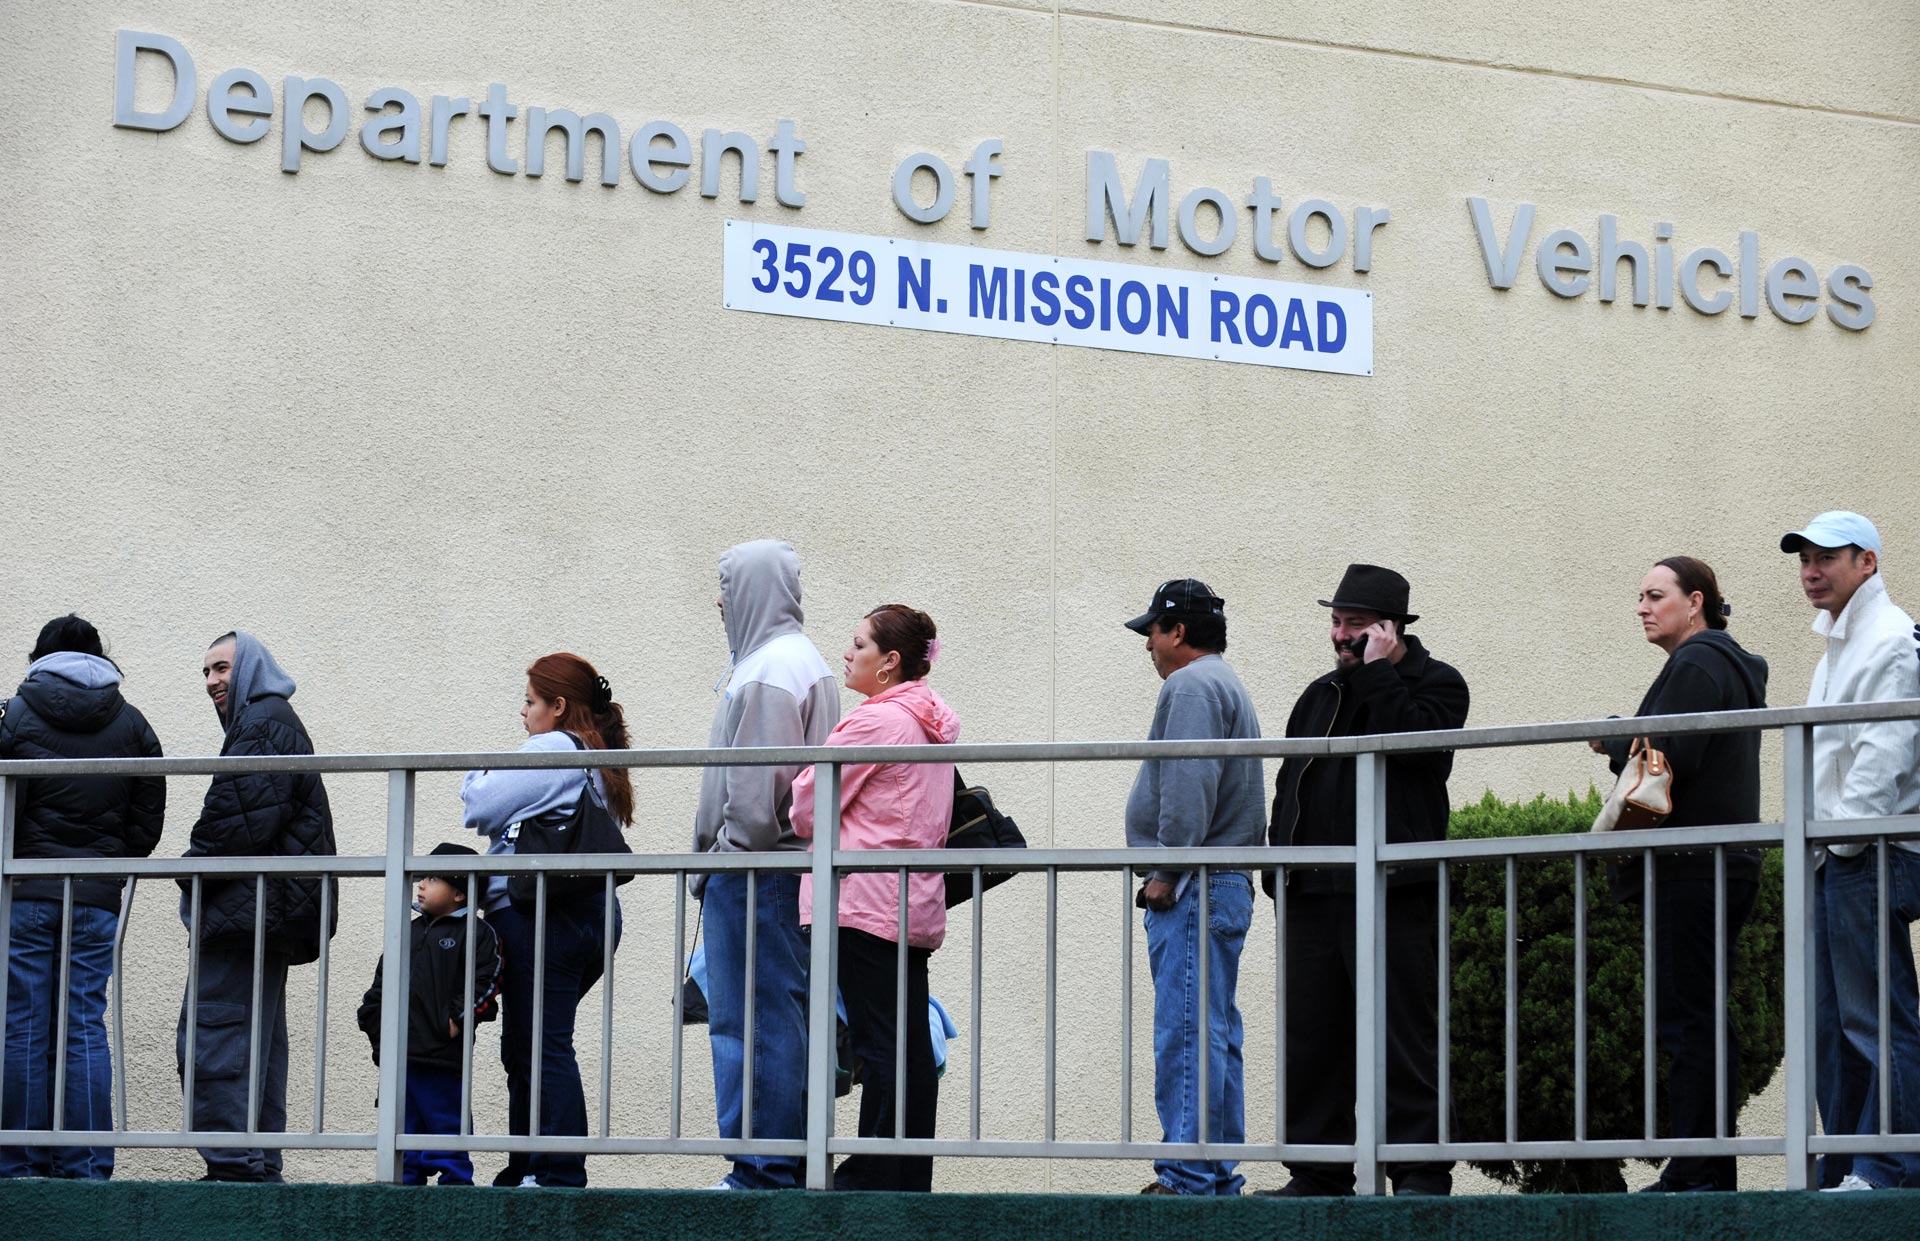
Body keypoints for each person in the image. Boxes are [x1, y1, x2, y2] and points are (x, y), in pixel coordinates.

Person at [1259, 565, 1469, 1198]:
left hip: (1395, 888)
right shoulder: (1320, 692)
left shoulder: (1438, 683)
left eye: (1354, 624)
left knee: (1406, 1035)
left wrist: (1378, 671)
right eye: (1336, 621)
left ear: (1390, 628)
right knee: (1312, 1038)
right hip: (1313, 890)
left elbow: (1418, 749)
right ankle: (1318, 1173)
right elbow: (1291, 781)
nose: (1339, 635)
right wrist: (1282, 866)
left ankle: (1420, 1174)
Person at [1587, 558, 1767, 1192]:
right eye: (1639, 595)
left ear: (1696, 602)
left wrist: (1613, 740)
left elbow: (1671, 755)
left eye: (1655, 595)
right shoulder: (1728, 663)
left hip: (1691, 866)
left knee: (1688, 1017)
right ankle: (1705, 1163)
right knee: (1700, 1012)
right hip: (1719, 863)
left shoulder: (1695, 664)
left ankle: (1699, 1168)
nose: (1642, 606)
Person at [791, 604, 960, 1192]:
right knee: (907, 1040)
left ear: (889, 663)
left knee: (879, 1040)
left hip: (862, 900)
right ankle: (905, 1171)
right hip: (909, 900)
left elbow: (807, 806)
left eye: (858, 644)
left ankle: (874, 1173)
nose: (847, 653)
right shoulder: (925, 722)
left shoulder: (876, 723)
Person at [693, 539, 839, 1191]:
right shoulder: (799, 660)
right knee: (784, 1014)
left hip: (757, 870)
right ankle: (790, 1161)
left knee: (750, 1019)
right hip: (789, 867)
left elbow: (752, 801)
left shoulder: (766, 670)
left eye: (725, 585)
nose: (719, 599)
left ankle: (763, 1166)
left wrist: (721, 857)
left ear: (749, 588)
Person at [1781, 511, 1920, 1192]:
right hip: (1838, 853)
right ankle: (1847, 1165)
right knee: (1832, 1030)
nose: (1810, 569)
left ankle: (1891, 1165)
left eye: (1825, 557)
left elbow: (1884, 758)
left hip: (1867, 851)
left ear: (1867, 561)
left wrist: (1837, 842)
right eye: (1804, 558)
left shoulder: (1889, 637)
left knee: (1875, 1018)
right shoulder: (1844, 639)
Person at [0, 615, 164, 1180]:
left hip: (24, 893)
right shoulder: (133, 722)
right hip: (95, 899)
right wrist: (108, 869)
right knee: (83, 1023)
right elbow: (145, 828)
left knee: (22, 1021)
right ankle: (87, 1164)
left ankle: (19, 1163)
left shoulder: (14, 714)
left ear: (39, 657)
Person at [460, 652, 630, 1188]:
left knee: (540, 1041)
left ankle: (556, 1170)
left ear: (558, 707)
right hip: (579, 916)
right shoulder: (592, 755)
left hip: (544, 915)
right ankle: (527, 1162)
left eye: (531, 701)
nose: (523, 712)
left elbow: (479, 806)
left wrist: (478, 776)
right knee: (529, 1040)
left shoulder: (555, 747)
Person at [1120, 580, 1264, 1197]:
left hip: (1194, 884)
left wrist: (1165, 873)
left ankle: (1188, 1174)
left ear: (1177, 632)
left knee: (1185, 1029)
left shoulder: (1191, 685)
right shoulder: (1224, 682)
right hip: (1222, 881)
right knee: (1214, 1031)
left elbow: (1187, 785)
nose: (1147, 645)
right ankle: (1212, 1169)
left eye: (1152, 631)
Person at [177, 631, 338, 1183]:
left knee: (217, 1030)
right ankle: (256, 1162)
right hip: (265, 911)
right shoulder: (269, 719)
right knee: (259, 1042)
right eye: (205, 672)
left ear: (250, 668)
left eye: (221, 667)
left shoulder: (263, 721)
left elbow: (235, 822)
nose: (212, 682)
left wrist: (187, 871)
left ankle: (233, 1164)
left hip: (248, 911)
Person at [355, 842, 502, 1187]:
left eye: (433, 879)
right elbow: (382, 979)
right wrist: (372, 1019)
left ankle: (454, 1182)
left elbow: (487, 980)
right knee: (402, 1120)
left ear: (460, 895)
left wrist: (456, 1020)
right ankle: (405, 1180)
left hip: (441, 1052)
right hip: (399, 1051)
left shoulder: (477, 933)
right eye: (422, 877)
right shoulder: (408, 929)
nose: (421, 884)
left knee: (444, 1117)